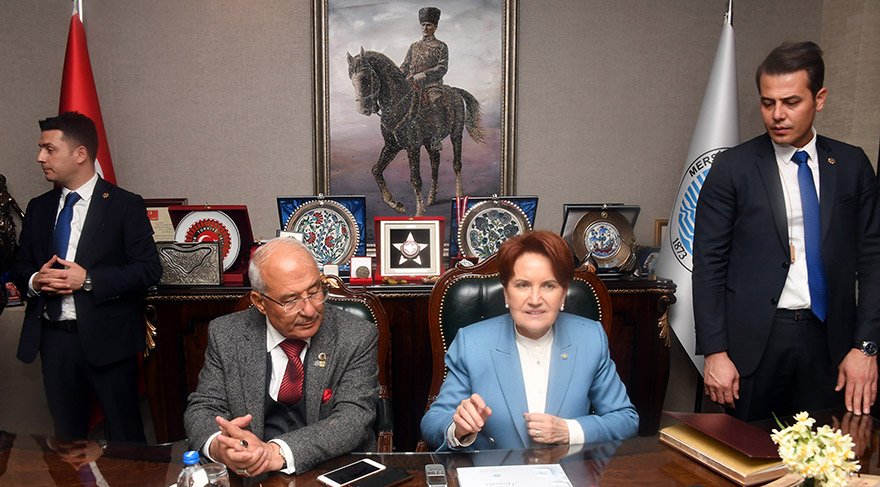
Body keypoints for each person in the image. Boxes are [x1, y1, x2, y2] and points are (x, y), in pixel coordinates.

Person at [693, 41, 880, 422]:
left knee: (827, 451)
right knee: (744, 452)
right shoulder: (732, 168)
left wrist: (866, 347)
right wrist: (715, 352)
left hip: (831, 343)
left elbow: (874, 262)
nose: (777, 115)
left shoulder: (852, 164)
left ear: (819, 99)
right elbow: (708, 264)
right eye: (768, 103)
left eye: (791, 102)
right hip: (753, 348)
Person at [12, 112, 162, 442]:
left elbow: (149, 269)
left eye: (49, 149)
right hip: (54, 341)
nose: (40, 158)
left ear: (80, 154)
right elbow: (20, 265)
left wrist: (89, 280)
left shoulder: (124, 205)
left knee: (126, 441)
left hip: (109, 341)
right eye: (40, 149)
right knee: (67, 442)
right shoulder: (39, 207)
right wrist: (36, 279)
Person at [420, 231, 638, 450]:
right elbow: (433, 421)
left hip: (568, 468)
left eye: (549, 285)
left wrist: (569, 430)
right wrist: (458, 429)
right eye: (523, 285)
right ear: (506, 293)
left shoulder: (590, 338)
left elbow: (625, 419)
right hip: (495, 469)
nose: (535, 300)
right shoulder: (472, 343)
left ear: (563, 293)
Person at [183, 237, 378, 477]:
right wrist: (219, 446)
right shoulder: (226, 334)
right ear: (260, 302)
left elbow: (354, 418)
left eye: (315, 291)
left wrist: (276, 452)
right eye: (291, 300)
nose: (310, 310)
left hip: (331, 470)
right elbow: (204, 407)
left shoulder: (356, 335)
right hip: (249, 478)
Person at [400, 6, 449, 152]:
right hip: (411, 83)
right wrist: (400, 75)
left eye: (429, 25)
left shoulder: (441, 46)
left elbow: (442, 67)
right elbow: (405, 65)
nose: (425, 28)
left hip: (431, 84)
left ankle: (436, 137)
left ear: (435, 27)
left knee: (435, 101)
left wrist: (425, 74)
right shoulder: (414, 46)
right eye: (423, 25)